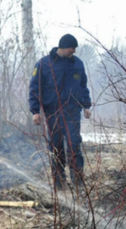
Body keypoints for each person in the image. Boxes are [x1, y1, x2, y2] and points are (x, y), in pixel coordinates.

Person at [29, 33, 92, 189]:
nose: (74, 51)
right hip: (53, 113)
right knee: (56, 148)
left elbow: (83, 86)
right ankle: (60, 184)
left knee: (74, 146)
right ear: (63, 47)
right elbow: (35, 88)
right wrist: (35, 111)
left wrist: (86, 105)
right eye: (72, 48)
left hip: (72, 112)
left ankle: (78, 183)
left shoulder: (77, 64)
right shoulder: (44, 64)